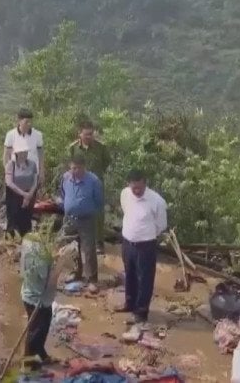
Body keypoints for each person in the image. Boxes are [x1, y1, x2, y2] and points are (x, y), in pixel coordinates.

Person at [116, 169, 167, 335]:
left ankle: (141, 312)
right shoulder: (125, 194)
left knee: (144, 279)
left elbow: (161, 225)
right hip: (127, 242)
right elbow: (126, 211)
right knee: (129, 274)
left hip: (146, 245)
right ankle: (129, 303)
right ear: (129, 185)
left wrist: (146, 234)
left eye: (139, 188)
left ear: (145, 183)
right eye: (133, 188)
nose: (136, 191)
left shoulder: (157, 201)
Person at [20, 232, 78, 366]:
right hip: (38, 300)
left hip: (29, 295)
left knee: (39, 328)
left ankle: (40, 354)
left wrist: (56, 256)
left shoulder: (30, 242)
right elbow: (51, 281)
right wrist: (61, 263)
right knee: (37, 332)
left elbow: (44, 261)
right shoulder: (40, 259)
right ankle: (30, 363)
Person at [57, 154, 103, 292]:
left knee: (88, 249)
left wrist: (88, 210)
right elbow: (63, 194)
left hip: (87, 219)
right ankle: (75, 273)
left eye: (77, 168)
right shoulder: (66, 177)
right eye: (72, 168)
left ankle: (92, 279)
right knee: (72, 248)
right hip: (70, 218)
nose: (74, 171)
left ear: (84, 167)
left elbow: (99, 201)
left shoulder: (93, 181)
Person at [68, 119, 112, 253]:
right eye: (86, 134)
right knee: (78, 210)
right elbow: (70, 166)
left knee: (98, 213)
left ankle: (99, 243)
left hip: (96, 185)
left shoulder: (101, 147)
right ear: (79, 134)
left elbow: (106, 163)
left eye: (91, 134)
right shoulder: (73, 148)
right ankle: (78, 240)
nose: (89, 137)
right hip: (79, 185)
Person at [5, 135, 38, 237]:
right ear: (17, 153)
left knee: (26, 217)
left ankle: (26, 237)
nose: (23, 154)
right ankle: (12, 238)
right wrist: (23, 194)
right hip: (14, 195)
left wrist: (30, 194)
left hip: (29, 194)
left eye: (25, 152)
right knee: (14, 218)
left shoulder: (32, 164)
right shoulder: (11, 165)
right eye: (21, 152)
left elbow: (35, 180)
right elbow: (9, 182)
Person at [3, 109, 44, 180]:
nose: (29, 124)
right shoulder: (11, 135)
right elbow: (6, 156)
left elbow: (41, 155)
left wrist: (41, 172)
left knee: (33, 190)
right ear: (19, 121)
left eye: (31, 122)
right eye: (26, 122)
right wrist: (8, 173)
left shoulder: (38, 135)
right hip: (16, 174)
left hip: (33, 174)